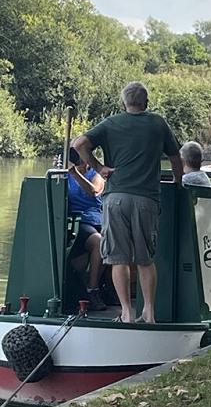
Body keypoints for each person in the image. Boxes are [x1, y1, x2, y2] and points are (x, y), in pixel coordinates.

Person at [72, 81, 183, 324]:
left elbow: (79, 144)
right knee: (145, 260)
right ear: (146, 103)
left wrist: (99, 167)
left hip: (116, 199)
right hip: (146, 199)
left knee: (118, 259)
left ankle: (126, 313)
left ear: (123, 103)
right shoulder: (157, 123)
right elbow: (176, 157)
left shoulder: (111, 123)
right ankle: (149, 312)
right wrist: (178, 182)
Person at [66, 150, 107, 311]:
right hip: (77, 222)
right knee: (98, 242)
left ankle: (100, 288)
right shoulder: (65, 175)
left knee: (107, 241)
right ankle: (90, 290)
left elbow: (94, 191)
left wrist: (76, 174)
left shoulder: (96, 174)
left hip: (97, 220)